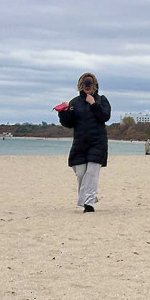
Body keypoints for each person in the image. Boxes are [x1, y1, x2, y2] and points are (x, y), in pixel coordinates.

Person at [56, 72, 111, 212]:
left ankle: (89, 204)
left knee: (92, 173)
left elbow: (105, 116)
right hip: (80, 143)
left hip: (97, 142)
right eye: (84, 84)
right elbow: (69, 123)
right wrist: (63, 112)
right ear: (80, 85)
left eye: (90, 84)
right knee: (80, 174)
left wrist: (93, 104)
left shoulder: (102, 100)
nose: (87, 86)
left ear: (95, 85)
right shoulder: (74, 102)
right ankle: (90, 198)